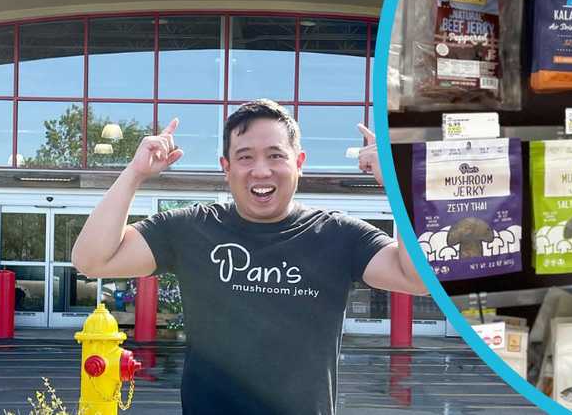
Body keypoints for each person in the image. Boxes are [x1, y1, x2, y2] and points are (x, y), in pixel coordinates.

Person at [71, 99, 427, 415]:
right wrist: (134, 174)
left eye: (275, 155)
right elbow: (92, 260)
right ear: (226, 167)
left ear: (299, 162)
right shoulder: (190, 229)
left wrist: (399, 183)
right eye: (245, 157)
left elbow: (418, 278)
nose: (260, 170)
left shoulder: (337, 235)